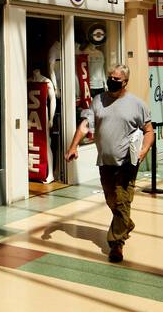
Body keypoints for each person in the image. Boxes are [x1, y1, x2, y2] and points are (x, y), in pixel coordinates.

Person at [65, 63, 154, 264]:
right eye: (110, 78)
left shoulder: (137, 104)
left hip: (128, 163)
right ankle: (126, 223)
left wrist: (143, 151)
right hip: (105, 162)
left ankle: (116, 244)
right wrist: (73, 146)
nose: (112, 82)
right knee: (111, 199)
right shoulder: (98, 101)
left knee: (123, 200)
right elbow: (85, 124)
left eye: (117, 80)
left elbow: (149, 131)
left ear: (125, 82)